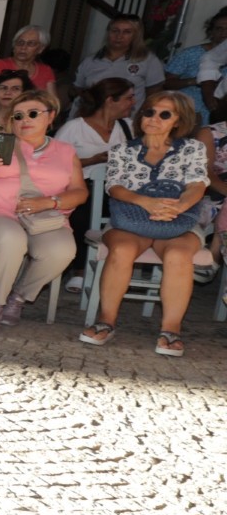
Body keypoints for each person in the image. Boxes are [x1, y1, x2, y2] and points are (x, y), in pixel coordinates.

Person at [80, 92, 212, 356]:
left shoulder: (192, 149)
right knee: (122, 250)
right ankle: (106, 321)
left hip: (178, 223)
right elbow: (114, 187)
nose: (154, 118)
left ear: (178, 121)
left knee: (178, 254)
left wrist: (177, 208)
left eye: (165, 114)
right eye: (150, 112)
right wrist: (147, 203)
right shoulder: (122, 150)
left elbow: (197, 184)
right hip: (130, 221)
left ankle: (171, 329)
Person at [0, 88, 87, 334]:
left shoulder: (65, 152)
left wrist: (50, 202)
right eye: (18, 116)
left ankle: (19, 297)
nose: (25, 120)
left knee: (62, 250)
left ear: (51, 116)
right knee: (10, 236)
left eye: (33, 114)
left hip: (39, 216)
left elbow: (79, 192)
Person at [73, 14, 164, 110]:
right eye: (115, 31)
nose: (119, 36)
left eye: (127, 32)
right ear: (108, 32)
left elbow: (154, 95)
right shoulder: (90, 61)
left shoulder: (148, 60)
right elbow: (78, 89)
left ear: (136, 36)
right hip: (90, 114)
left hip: (128, 116)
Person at [0, 25, 60, 98]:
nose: (23, 47)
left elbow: (52, 102)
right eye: (20, 42)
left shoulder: (45, 70)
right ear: (14, 46)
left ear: (41, 49)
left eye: (31, 43)